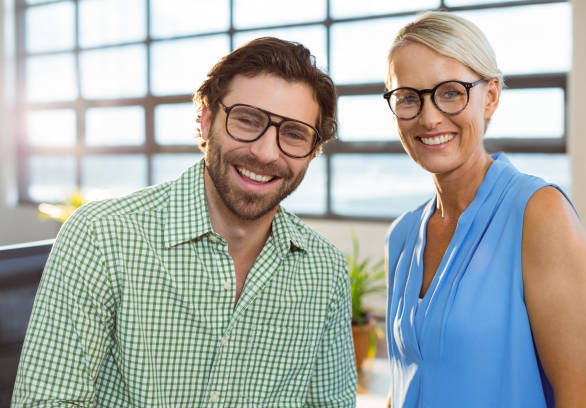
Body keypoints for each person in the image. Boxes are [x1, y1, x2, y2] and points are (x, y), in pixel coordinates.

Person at [12, 37, 357, 407]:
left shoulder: (325, 269)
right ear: (206, 120)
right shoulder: (103, 237)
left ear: (313, 150)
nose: (265, 152)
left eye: (293, 134)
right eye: (247, 120)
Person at [384, 12, 586, 408]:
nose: (429, 116)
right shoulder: (402, 236)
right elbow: (402, 386)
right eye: (408, 97)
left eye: (451, 92)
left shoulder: (539, 214)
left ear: (490, 96)